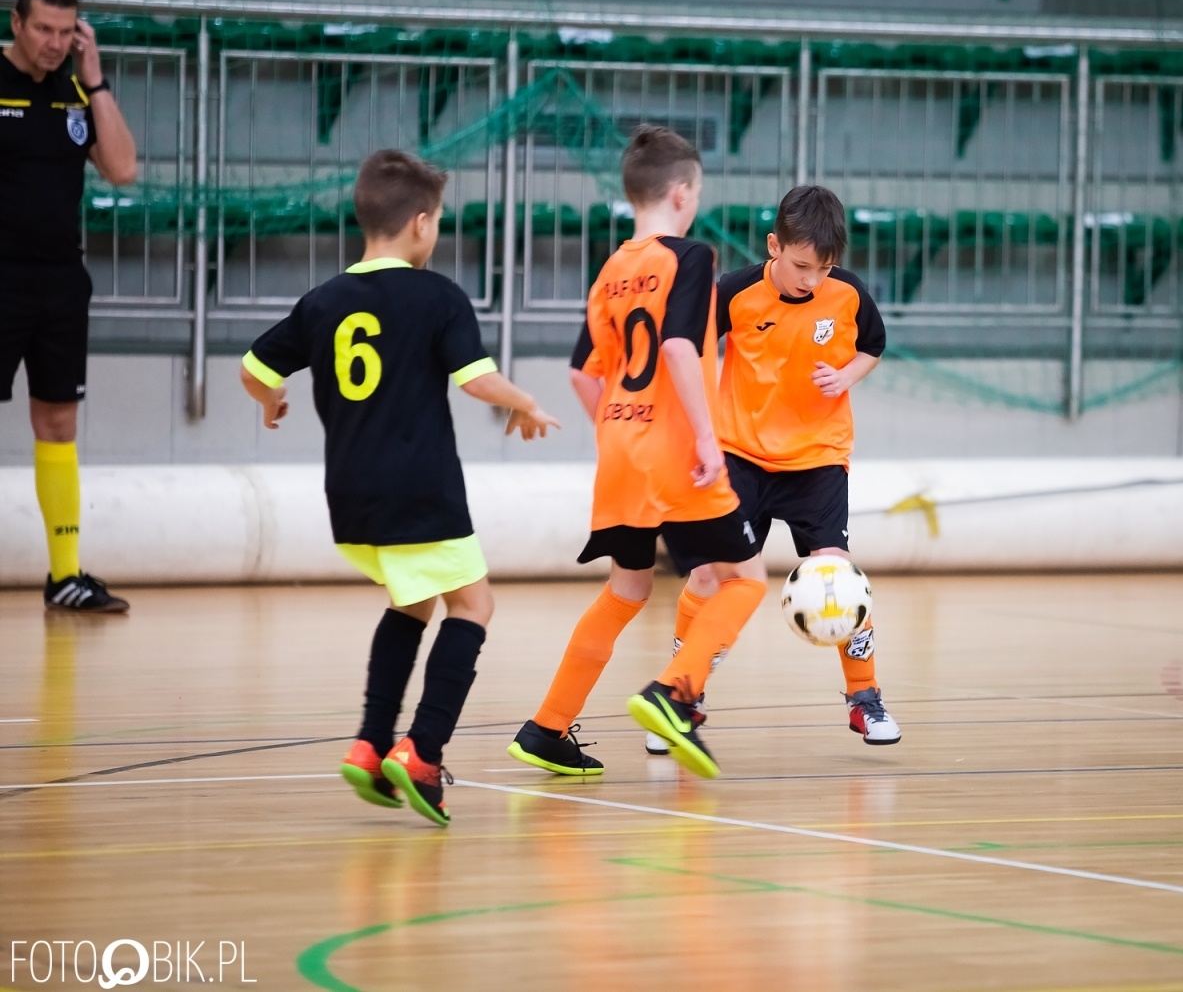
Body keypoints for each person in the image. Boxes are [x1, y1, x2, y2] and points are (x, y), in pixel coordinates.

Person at [240, 150, 560, 826]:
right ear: (420, 224)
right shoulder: (437, 295)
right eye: (438, 221)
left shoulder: (321, 301)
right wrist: (525, 401)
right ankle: (423, 751)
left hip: (351, 496)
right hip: (421, 487)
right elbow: (475, 380)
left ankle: (368, 744)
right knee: (474, 606)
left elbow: (253, 367)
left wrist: (270, 405)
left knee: (411, 603)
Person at [506, 125, 766, 781]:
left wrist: (618, 432)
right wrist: (706, 440)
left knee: (627, 588)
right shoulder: (691, 255)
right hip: (675, 451)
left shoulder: (613, 269)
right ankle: (675, 692)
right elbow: (679, 348)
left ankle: (547, 728)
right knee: (746, 579)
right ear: (682, 193)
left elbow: (582, 376)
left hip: (620, 449)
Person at [642, 184, 899, 756]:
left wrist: (847, 377)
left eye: (825, 268)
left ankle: (865, 697)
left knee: (839, 576)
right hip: (741, 457)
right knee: (711, 578)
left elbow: (874, 345)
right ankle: (681, 696)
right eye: (802, 266)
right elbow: (684, 346)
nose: (812, 280)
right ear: (773, 247)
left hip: (819, 459)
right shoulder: (733, 292)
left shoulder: (848, 294)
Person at [1, 0, 137, 612]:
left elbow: (122, 167)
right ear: (17, 24)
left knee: (57, 424)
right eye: (44, 29)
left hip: (59, 282)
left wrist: (97, 79)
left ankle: (64, 577)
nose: (54, 43)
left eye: (66, 31)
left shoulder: (80, 91)